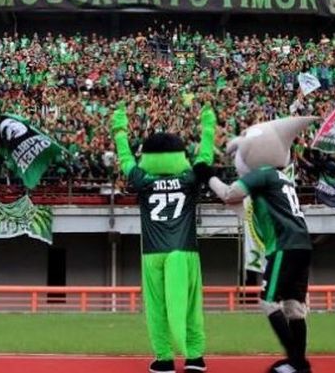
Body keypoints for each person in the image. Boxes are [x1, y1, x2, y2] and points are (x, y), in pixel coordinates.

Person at [111, 101, 216, 373]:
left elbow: (125, 159)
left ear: (148, 156)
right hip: (186, 250)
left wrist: (120, 128)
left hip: (153, 253)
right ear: (180, 155)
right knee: (191, 305)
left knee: (157, 308)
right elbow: (205, 157)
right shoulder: (190, 177)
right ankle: (194, 357)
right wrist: (207, 125)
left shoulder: (143, 180)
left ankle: (165, 359)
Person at [207, 116, 318, 373]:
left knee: (269, 302)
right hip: (302, 243)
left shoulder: (262, 175)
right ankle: (296, 363)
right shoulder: (283, 178)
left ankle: (296, 362)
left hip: (283, 245)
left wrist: (209, 177)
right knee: (294, 307)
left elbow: (230, 195)